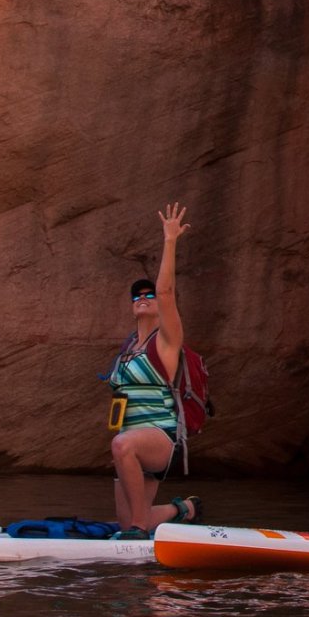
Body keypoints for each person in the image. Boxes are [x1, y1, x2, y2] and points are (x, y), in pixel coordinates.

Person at [106, 203, 202, 539]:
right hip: (132, 436)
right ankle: (184, 510)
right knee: (133, 517)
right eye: (137, 296)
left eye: (148, 295)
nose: (143, 298)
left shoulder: (165, 342)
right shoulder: (128, 348)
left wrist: (170, 240)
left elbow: (165, 291)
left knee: (121, 447)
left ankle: (136, 532)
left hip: (161, 438)